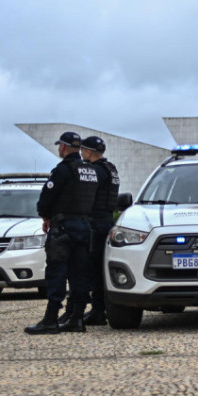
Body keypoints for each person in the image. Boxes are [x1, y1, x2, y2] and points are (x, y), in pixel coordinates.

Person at [25, 132, 98, 335]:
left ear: (64, 148)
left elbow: (46, 198)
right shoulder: (90, 170)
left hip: (64, 227)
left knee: (56, 273)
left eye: (60, 147)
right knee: (79, 274)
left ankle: (50, 320)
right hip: (84, 227)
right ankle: (76, 319)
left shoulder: (63, 170)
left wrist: (45, 216)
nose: (59, 150)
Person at [77, 135, 119, 326]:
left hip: (96, 224)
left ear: (88, 151)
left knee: (94, 270)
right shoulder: (110, 169)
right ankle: (100, 309)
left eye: (82, 150)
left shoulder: (94, 171)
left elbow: (84, 195)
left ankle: (97, 310)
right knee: (100, 268)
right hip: (107, 222)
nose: (80, 153)